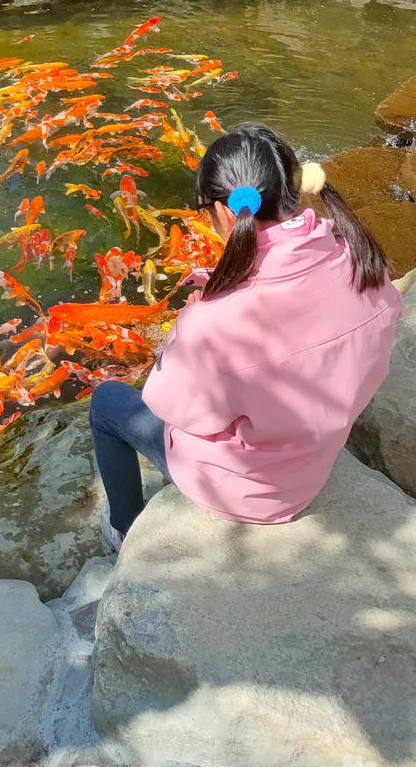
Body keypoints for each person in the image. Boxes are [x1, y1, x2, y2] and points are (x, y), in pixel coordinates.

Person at [90, 122, 403, 551]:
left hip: (247, 489)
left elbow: (169, 405)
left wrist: (190, 325)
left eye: (205, 209)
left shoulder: (216, 322)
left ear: (225, 211)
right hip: (315, 461)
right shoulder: (362, 261)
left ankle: (123, 526)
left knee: (107, 401)